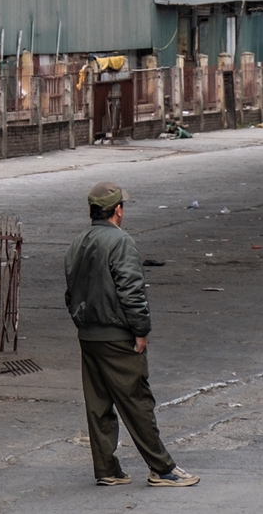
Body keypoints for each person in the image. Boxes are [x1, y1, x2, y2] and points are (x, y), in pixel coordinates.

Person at [63, 182, 197, 489]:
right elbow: (132, 290)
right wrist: (140, 331)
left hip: (89, 334)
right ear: (118, 210)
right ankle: (161, 468)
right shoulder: (120, 241)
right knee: (136, 400)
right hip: (116, 334)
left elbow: (71, 291)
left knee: (98, 404)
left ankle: (107, 469)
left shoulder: (77, 242)